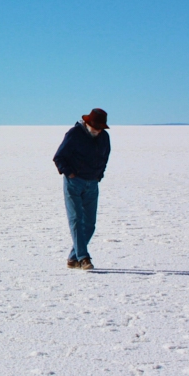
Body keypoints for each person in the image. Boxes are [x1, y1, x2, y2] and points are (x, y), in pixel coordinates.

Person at [53, 109, 111, 270]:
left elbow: (105, 157)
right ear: (87, 123)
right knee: (77, 220)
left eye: (101, 128)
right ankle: (84, 258)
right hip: (74, 182)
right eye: (96, 127)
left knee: (90, 224)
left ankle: (73, 258)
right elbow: (58, 157)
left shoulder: (104, 137)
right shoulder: (74, 134)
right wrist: (70, 174)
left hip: (92, 183)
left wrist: (99, 175)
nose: (98, 130)